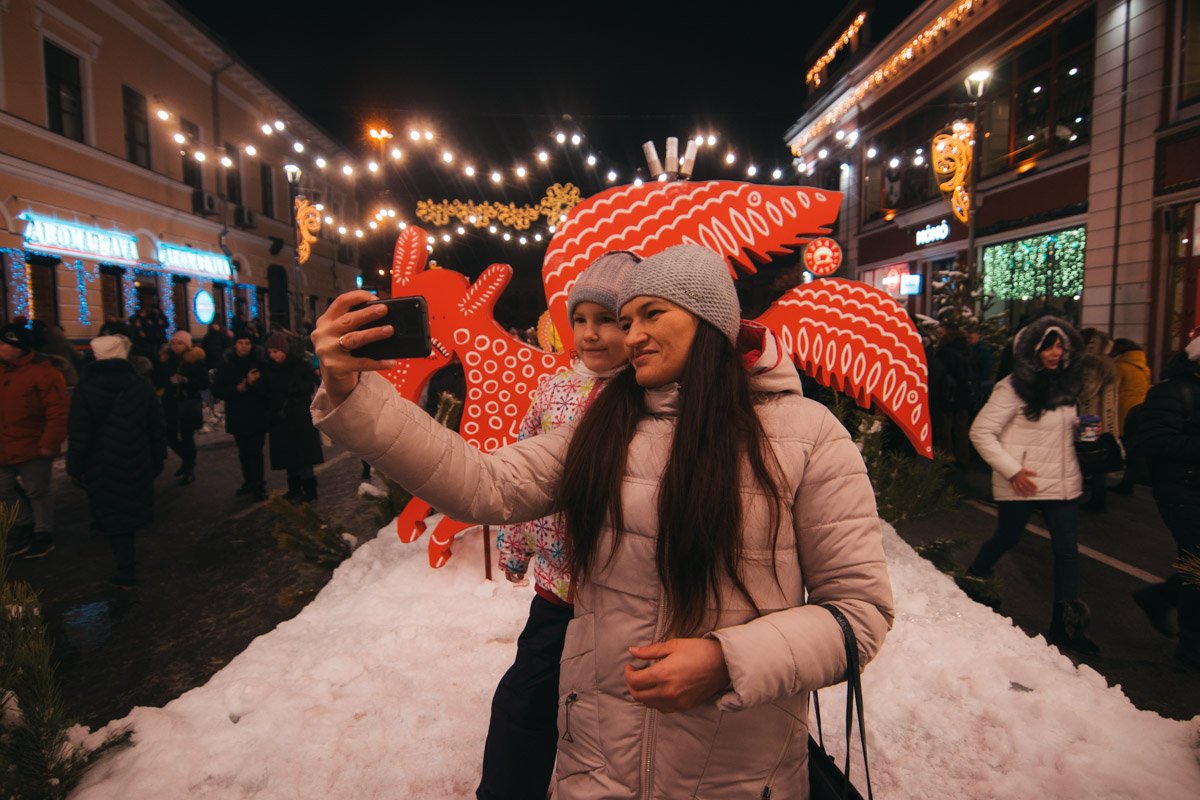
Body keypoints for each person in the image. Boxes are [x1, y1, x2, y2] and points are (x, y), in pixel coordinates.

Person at [310, 244, 893, 797]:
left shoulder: (809, 436)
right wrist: (352, 391)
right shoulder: (605, 427)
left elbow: (859, 615)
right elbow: (485, 485)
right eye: (626, 318)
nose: (630, 334)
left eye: (650, 315)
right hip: (599, 763)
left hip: (735, 769)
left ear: (708, 319)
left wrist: (725, 661)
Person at [481, 251, 637, 800]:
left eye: (609, 320)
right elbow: (521, 473)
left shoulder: (649, 396)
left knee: (611, 710)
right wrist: (517, 548)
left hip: (626, 592)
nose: (591, 335)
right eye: (581, 320)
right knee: (526, 698)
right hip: (559, 589)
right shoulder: (552, 392)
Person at [965, 316, 1099, 656]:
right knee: (1008, 536)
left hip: (1063, 481)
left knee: (1067, 551)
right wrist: (1012, 470)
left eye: (1059, 346)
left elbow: (1060, 433)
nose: (1055, 353)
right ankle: (975, 579)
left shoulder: (1067, 388)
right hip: (1024, 480)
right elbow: (981, 432)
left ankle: (1065, 624)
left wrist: (1083, 431)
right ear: (1031, 349)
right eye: (1048, 346)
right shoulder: (1012, 387)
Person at [67, 335, 166, 588]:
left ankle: (125, 566)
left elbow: (79, 432)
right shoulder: (140, 385)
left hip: (100, 461)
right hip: (137, 455)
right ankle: (127, 562)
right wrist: (157, 458)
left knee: (112, 510)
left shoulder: (86, 389)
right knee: (129, 508)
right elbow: (156, 426)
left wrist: (75, 466)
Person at [1130, 327, 1200, 670]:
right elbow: (1152, 441)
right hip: (1181, 492)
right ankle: (1191, 651)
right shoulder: (1172, 392)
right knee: (1197, 567)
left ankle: (1160, 597)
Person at [0, 323, 69, 558]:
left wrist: (50, 442)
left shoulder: (45, 373)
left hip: (33, 443)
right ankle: (23, 524)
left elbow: (57, 411)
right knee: (4, 489)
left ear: (18, 347)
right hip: (4, 443)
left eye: (4, 344)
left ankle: (42, 533)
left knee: (37, 492)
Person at [263, 332, 323, 502]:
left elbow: (313, 383)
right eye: (270, 352)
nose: (273, 355)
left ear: (284, 350)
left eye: (276, 351)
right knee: (288, 457)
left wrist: (297, 390)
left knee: (303, 457)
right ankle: (294, 489)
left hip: (299, 418)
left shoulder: (299, 365)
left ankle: (310, 490)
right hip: (280, 419)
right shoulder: (268, 369)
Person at [212, 331, 271, 501]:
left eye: (247, 343)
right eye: (240, 342)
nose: (244, 346)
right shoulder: (226, 365)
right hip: (237, 415)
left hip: (256, 415)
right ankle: (249, 481)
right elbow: (218, 390)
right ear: (235, 344)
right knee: (243, 452)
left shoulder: (260, 364)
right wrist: (236, 389)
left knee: (255, 452)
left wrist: (253, 385)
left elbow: (266, 390)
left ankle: (259, 484)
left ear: (252, 345)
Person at [152, 330, 209, 485]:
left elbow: (204, 382)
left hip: (187, 402)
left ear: (187, 344)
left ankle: (189, 468)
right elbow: (158, 378)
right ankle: (187, 459)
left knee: (186, 436)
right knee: (169, 435)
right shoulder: (166, 360)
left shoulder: (195, 360)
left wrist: (186, 380)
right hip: (170, 402)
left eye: (180, 343)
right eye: (174, 343)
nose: (176, 346)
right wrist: (160, 387)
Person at [1077, 328, 1121, 513]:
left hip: (1090, 417)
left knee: (1086, 455)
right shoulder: (1109, 362)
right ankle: (1098, 497)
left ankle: (1093, 498)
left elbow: (1086, 391)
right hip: (1105, 416)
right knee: (1098, 456)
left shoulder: (1091, 364)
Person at [1110, 338, 1151, 495]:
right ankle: (1129, 481)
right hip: (1140, 410)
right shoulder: (1144, 367)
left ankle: (1126, 482)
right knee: (1133, 447)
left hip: (1124, 412)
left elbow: (1112, 392)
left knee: (1123, 446)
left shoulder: (1120, 367)